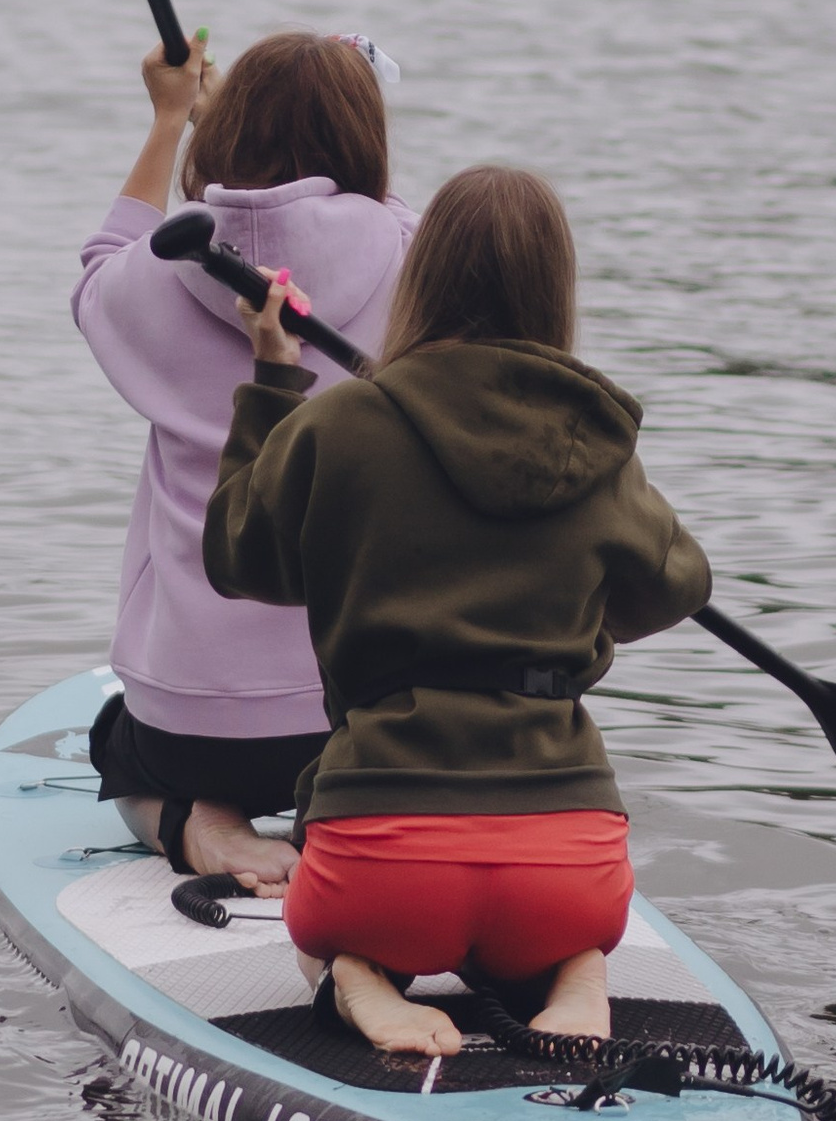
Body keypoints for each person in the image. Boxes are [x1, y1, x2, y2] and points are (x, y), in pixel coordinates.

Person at [202, 163, 710, 1053]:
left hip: (382, 858)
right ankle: (578, 972)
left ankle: (359, 977)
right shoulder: (593, 438)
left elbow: (239, 560)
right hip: (567, 869)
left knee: (324, 939)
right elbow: (674, 589)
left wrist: (273, 382)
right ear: (556, 286)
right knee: (552, 932)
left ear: (423, 273)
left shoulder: (341, 424)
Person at [74, 28, 416, 889]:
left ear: (223, 132)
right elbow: (388, 211)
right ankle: (335, 818)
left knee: (117, 744)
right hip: (357, 716)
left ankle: (198, 823)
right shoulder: (416, 255)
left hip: (188, 716)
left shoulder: (157, 271)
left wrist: (171, 122)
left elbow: (97, 269)